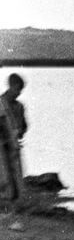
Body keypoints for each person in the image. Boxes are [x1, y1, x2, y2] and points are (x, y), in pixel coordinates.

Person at [0, 73, 27, 206]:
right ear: (10, 86)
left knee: (16, 172)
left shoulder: (19, 106)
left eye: (20, 90)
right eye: (17, 89)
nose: (19, 93)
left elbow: (24, 125)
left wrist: (20, 131)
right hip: (2, 144)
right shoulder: (1, 103)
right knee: (4, 172)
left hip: (14, 144)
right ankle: (6, 198)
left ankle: (15, 199)